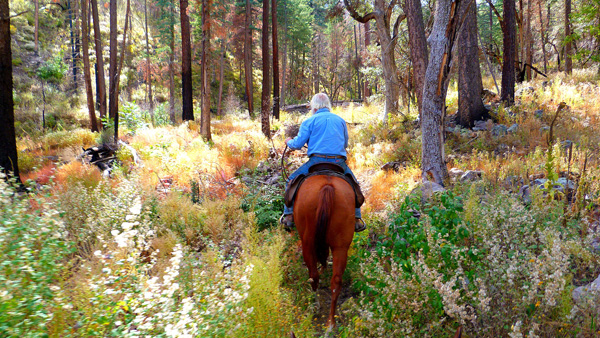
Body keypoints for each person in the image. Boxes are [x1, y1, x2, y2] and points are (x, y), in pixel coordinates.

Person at [280, 93, 366, 232]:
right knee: (354, 183)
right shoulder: (340, 120)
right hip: (338, 162)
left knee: (290, 180)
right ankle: (357, 218)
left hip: (316, 160)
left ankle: (289, 215)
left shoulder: (309, 121)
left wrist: (288, 141)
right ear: (328, 105)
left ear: (314, 107)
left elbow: (297, 144)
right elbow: (344, 144)